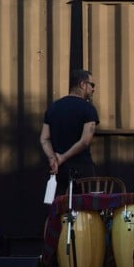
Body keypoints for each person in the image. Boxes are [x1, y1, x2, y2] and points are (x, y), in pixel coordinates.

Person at [39, 69, 100, 197]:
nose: (93, 89)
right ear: (83, 85)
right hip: (83, 171)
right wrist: (63, 157)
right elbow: (85, 141)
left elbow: (44, 139)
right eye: (92, 85)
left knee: (58, 210)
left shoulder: (53, 107)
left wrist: (52, 158)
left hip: (57, 171)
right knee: (86, 212)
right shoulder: (88, 109)